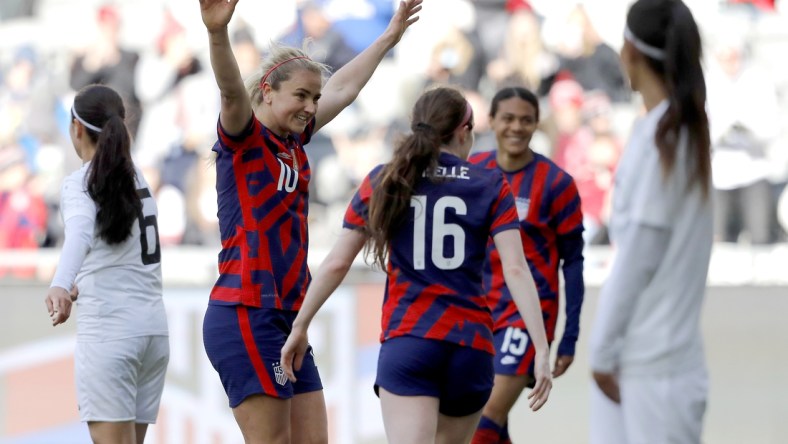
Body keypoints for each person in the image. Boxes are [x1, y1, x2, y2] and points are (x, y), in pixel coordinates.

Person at [197, 0, 422, 443]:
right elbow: (229, 90)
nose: (311, 105)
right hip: (246, 309)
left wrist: (389, 36)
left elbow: (343, 89)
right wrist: (217, 33)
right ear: (268, 89)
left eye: (313, 97)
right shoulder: (244, 138)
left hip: (285, 315)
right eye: (301, 95)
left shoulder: (295, 140)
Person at [281, 87, 552, 444]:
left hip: (411, 339)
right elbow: (516, 269)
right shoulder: (489, 183)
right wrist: (542, 348)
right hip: (469, 344)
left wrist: (300, 325)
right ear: (463, 131)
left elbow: (337, 262)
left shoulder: (385, 178)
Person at [588, 1, 712, 443]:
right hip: (639, 361)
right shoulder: (661, 131)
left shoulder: (671, 138)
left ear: (631, 51)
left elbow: (639, 252)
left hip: (654, 370)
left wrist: (601, 351)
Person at [44, 84, 169, 444]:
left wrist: (61, 283)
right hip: (153, 335)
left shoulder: (80, 183)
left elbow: (81, 231)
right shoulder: (136, 177)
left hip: (111, 332)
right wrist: (81, 279)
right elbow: (117, 249)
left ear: (76, 128)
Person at [469, 87, 585, 444]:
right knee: (484, 416)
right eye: (508, 118)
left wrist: (569, 337)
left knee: (485, 416)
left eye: (525, 120)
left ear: (537, 124)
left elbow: (574, 262)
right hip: (475, 311)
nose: (516, 127)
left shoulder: (557, 184)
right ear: (491, 121)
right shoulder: (472, 172)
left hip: (526, 315)